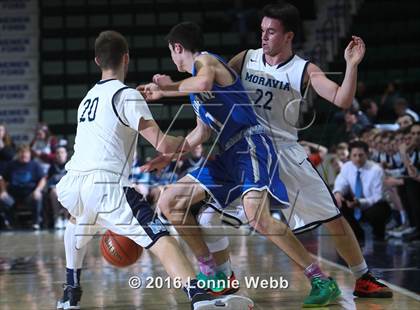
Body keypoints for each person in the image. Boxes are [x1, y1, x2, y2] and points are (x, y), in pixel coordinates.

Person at [141, 21, 341, 307]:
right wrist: (167, 150)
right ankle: (215, 272)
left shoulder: (205, 61)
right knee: (169, 202)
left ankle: (320, 279)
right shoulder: (197, 94)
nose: (173, 60)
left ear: (177, 48)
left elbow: (204, 82)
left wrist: (167, 89)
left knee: (257, 216)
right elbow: (200, 134)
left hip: (250, 145)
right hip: (228, 156)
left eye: (171, 53)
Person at [202, 2, 391, 298]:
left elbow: (341, 99)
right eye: (262, 30)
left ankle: (362, 277)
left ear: (289, 36)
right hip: (247, 153)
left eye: (272, 32)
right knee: (208, 216)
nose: (264, 37)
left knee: (332, 217)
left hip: (284, 153)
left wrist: (351, 65)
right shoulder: (245, 58)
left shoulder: (304, 69)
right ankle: (224, 277)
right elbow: (212, 84)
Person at [55, 30, 252, 310]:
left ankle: (69, 294)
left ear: (97, 61)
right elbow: (162, 142)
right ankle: (201, 299)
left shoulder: (87, 98)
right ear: (126, 59)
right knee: (162, 241)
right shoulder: (127, 95)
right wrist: (181, 145)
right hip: (106, 186)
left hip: (73, 183)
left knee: (77, 224)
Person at [333, 141, 391, 241]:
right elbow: (341, 183)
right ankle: (357, 233)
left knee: (377, 211)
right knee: (339, 201)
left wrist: (360, 202)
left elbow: (378, 196)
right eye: (354, 155)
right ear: (350, 156)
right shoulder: (347, 167)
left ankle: (379, 233)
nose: (358, 158)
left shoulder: (376, 170)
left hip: (375, 204)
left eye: (361, 155)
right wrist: (338, 193)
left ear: (367, 154)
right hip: (354, 201)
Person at [2, 144, 46, 229]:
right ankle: (11, 223)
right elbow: (3, 179)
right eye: (21, 153)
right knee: (3, 199)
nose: (24, 155)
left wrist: (37, 190)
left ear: (29, 154)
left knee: (38, 197)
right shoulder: (11, 165)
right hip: (13, 195)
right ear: (18, 154)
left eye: (26, 153)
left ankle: (36, 222)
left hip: (29, 195)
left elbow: (42, 179)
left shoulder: (35, 165)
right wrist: (3, 191)